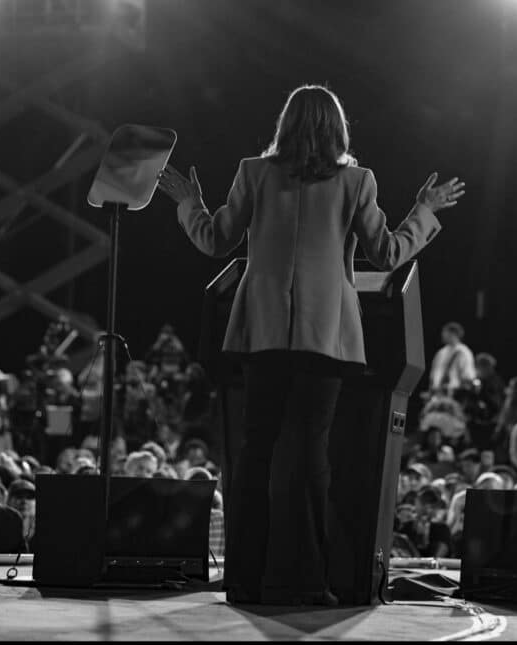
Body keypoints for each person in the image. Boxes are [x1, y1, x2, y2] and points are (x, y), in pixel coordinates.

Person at [158, 83, 464, 605]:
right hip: (329, 341)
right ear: (339, 129)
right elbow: (388, 253)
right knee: (314, 459)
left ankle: (247, 583)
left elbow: (214, 240)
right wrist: (425, 209)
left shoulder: (254, 173)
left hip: (262, 337)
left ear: (285, 125)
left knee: (255, 458)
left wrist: (191, 204)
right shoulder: (356, 181)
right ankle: (316, 582)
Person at [429, 322, 476, 396]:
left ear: (453, 333)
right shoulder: (441, 352)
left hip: (454, 394)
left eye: (445, 332)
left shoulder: (463, 352)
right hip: (437, 393)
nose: (442, 334)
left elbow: (468, 376)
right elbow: (433, 374)